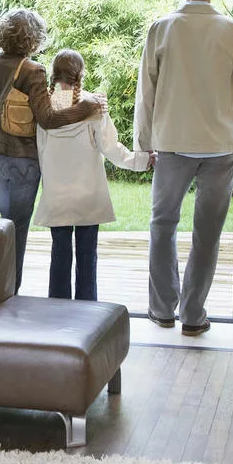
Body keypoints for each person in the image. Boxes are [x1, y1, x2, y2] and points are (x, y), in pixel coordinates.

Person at [134, 0, 233, 336]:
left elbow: (147, 93)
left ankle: (162, 310)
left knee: (162, 225)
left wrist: (144, 144)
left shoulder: (161, 28)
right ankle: (193, 316)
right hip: (219, 148)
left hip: (172, 144)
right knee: (206, 233)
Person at [0, 9, 105, 293]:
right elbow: (48, 119)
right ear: (33, 39)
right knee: (17, 229)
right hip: (23, 162)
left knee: (6, 226)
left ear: (3, 34)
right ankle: (9, 293)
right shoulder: (33, 71)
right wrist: (84, 108)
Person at [33, 49, 155, 301]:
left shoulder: (43, 110)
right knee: (87, 256)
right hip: (88, 195)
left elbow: (41, 152)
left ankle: (57, 310)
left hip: (57, 195)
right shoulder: (93, 106)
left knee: (60, 255)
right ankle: (86, 312)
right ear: (80, 75)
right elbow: (112, 150)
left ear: (54, 74)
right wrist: (142, 161)